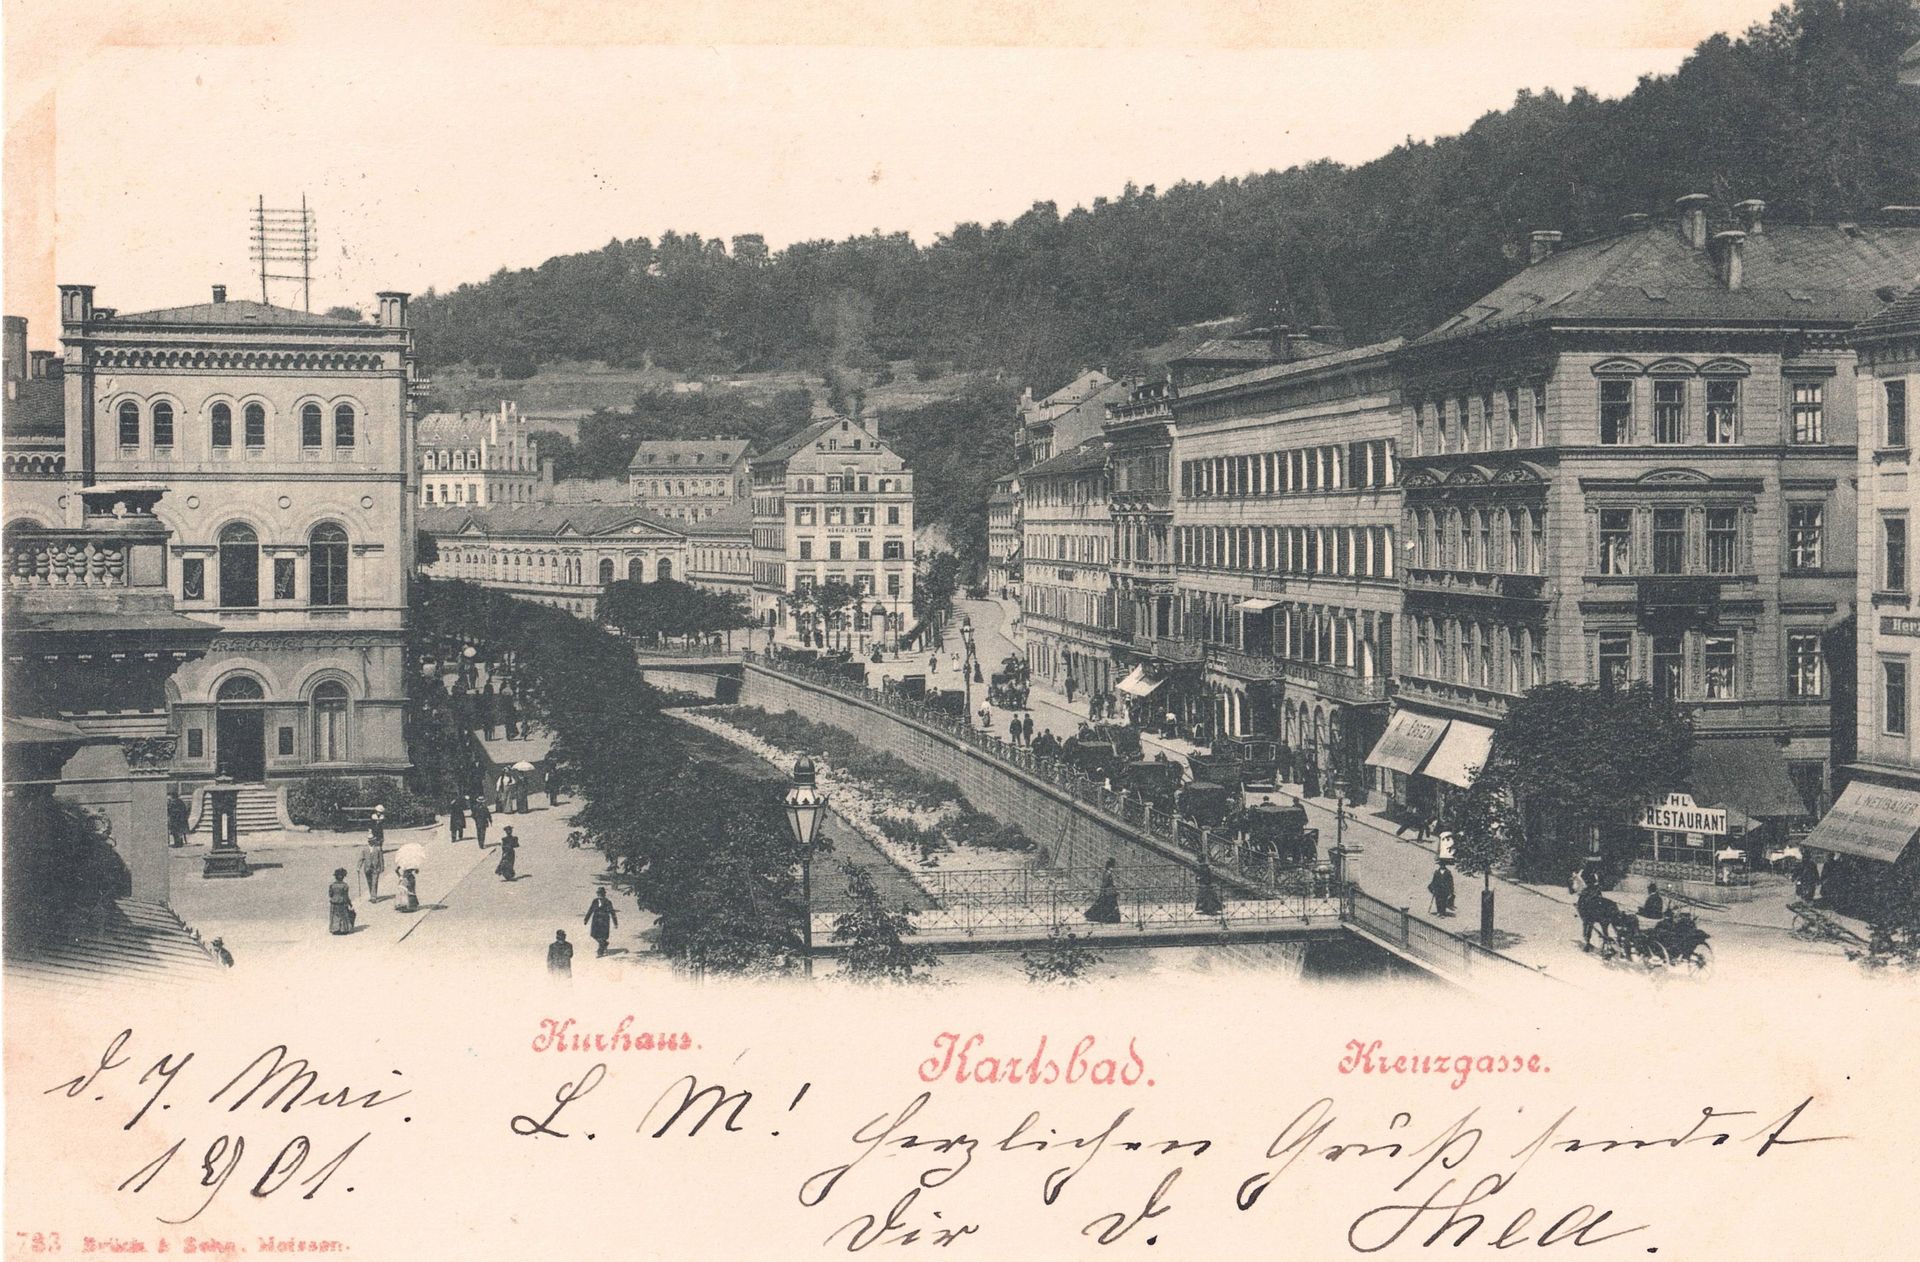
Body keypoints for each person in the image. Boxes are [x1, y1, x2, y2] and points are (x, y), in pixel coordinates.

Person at [1085, 859, 1122, 924]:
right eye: (1112, 867)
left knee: (1105, 905)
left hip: (1109, 891)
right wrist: (1104, 890)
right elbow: (1105, 883)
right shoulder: (1107, 874)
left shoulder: (1107, 873)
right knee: (1108, 905)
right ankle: (1109, 918)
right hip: (1108, 892)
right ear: (1109, 867)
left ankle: (1107, 918)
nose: (1113, 869)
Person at [583, 887, 619, 957]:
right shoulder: (595, 901)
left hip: (604, 922)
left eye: (601, 894)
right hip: (596, 921)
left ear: (604, 894)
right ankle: (605, 943)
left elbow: (612, 913)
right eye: (599, 894)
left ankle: (600, 952)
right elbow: (590, 910)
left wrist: (615, 923)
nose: (600, 895)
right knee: (594, 935)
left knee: (602, 937)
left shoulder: (608, 902)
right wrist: (586, 919)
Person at [328, 868, 356, 935]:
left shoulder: (332, 885)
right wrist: (350, 904)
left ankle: (335, 929)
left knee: (335, 916)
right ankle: (343, 929)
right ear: (343, 877)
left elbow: (330, 895)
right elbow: (346, 896)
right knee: (343, 916)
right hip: (342, 902)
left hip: (334, 902)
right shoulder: (345, 885)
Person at [358, 833, 385, 901]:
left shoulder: (378, 849)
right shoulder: (365, 849)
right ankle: (371, 895)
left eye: (372, 840)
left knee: (374, 882)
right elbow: (361, 858)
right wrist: (358, 867)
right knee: (369, 882)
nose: (371, 842)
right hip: (367, 868)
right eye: (370, 841)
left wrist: (382, 867)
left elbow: (381, 858)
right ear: (368, 841)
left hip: (376, 868)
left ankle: (373, 897)